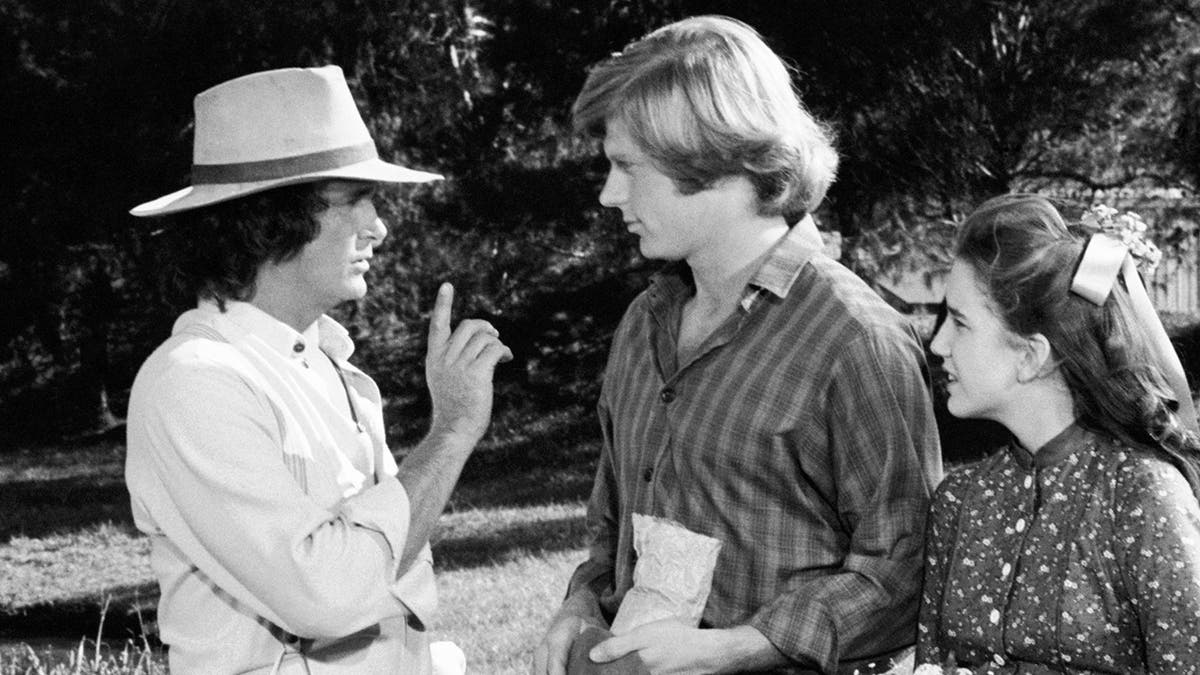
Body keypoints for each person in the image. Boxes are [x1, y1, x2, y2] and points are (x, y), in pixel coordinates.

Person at [534, 15, 943, 675]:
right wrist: (583, 601)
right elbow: (613, 529)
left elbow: (904, 569)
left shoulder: (854, 338)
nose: (609, 195)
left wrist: (733, 649)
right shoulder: (643, 324)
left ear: (708, 154)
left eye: (625, 166)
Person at [125, 65, 511, 673]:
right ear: (273, 216)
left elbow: (383, 586)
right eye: (355, 199)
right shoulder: (194, 383)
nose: (378, 227)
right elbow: (327, 599)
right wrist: (453, 432)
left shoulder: (327, 361)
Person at [916, 194, 1200, 673]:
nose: (937, 344)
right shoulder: (959, 501)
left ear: (1031, 356)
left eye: (959, 323)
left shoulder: (1139, 498)